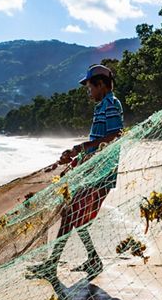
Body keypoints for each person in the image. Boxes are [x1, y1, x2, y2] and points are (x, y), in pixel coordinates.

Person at [27, 64, 123, 283]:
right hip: (92, 169)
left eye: (90, 87)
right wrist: (77, 156)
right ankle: (93, 259)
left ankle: (53, 265)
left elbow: (116, 135)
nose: (88, 91)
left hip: (102, 173)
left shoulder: (111, 104)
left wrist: (80, 148)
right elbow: (97, 141)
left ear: (100, 85)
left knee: (72, 214)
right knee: (76, 216)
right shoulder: (101, 106)